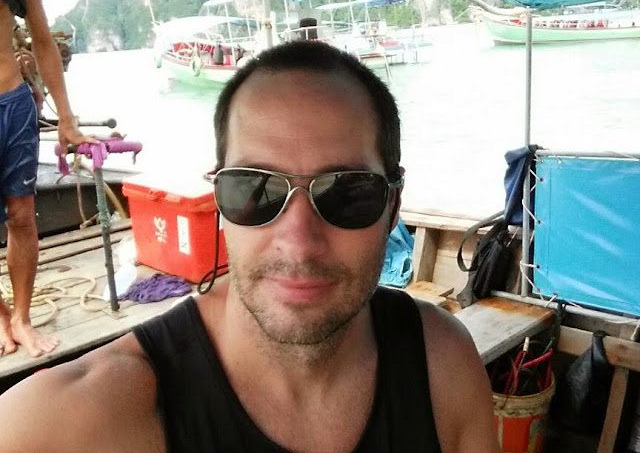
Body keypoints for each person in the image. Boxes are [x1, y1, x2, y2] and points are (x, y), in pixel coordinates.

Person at [0, 40, 499, 452]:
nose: (299, 243)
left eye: (347, 193)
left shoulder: (442, 364)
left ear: (393, 206)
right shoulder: (84, 420)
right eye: (254, 189)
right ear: (219, 202)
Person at [0, 0, 96, 357]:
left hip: (13, 103)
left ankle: (21, 318)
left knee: (21, 215)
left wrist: (66, 119)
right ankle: (0, 314)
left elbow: (43, 41)